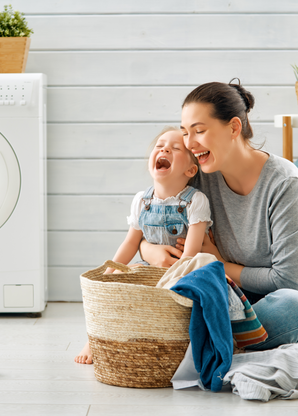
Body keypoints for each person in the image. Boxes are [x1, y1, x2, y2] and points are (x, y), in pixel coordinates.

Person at [140, 79, 298, 352]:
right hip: (213, 295)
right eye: (185, 133)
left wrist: (218, 264)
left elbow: (287, 281)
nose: (190, 144)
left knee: (291, 305)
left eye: (198, 131)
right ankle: (218, 341)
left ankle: (203, 342)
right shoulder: (197, 173)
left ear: (234, 127)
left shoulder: (284, 185)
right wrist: (148, 251)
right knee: (140, 276)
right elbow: (147, 218)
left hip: (264, 303)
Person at [75, 127, 212, 364]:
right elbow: (131, 241)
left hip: (180, 270)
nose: (164, 148)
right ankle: (95, 337)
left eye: (176, 148)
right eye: (160, 145)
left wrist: (173, 277)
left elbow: (190, 255)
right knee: (118, 281)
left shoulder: (195, 201)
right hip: (148, 266)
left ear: (191, 169)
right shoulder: (142, 200)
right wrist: (111, 270)